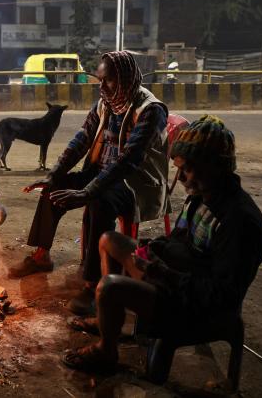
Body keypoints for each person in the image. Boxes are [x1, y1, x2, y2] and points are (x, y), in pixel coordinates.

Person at [62, 115, 262, 371]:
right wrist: (154, 250)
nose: (179, 177)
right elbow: (180, 239)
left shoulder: (239, 221)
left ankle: (107, 350)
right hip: (173, 277)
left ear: (214, 166)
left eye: (187, 169)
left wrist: (158, 271)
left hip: (190, 303)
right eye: (178, 168)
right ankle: (110, 321)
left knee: (108, 287)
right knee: (108, 241)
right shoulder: (204, 196)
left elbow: (219, 295)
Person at [10, 51, 170, 316]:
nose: (102, 86)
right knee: (53, 188)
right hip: (101, 172)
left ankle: (93, 284)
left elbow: (129, 161)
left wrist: (87, 192)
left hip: (134, 182)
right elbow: (81, 139)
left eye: (109, 80)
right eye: (101, 79)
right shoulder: (105, 103)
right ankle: (41, 256)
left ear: (127, 78)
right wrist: (54, 174)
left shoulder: (150, 110)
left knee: (100, 202)